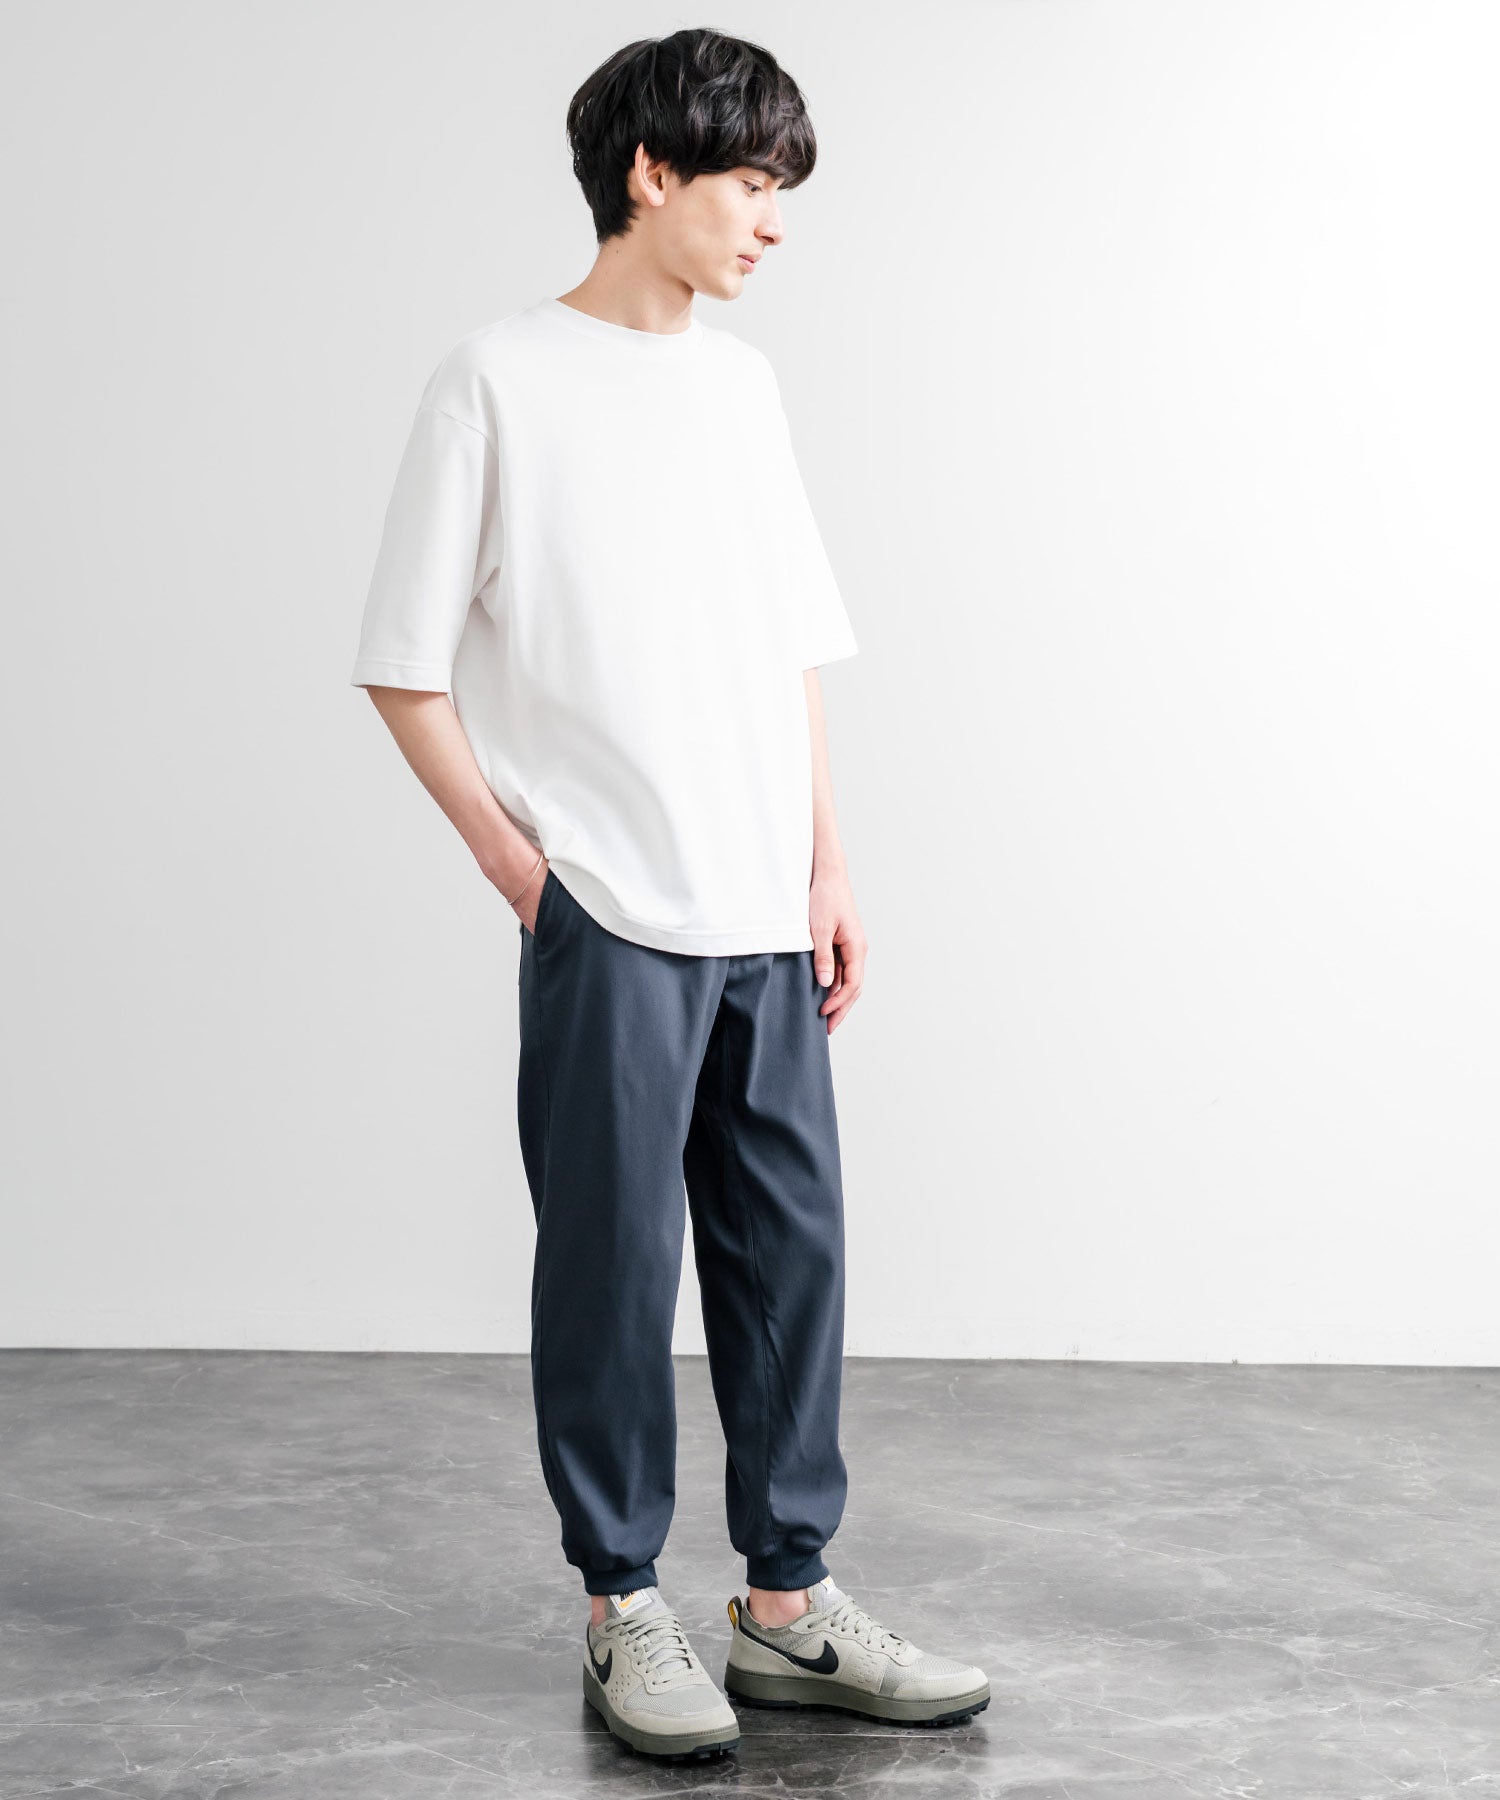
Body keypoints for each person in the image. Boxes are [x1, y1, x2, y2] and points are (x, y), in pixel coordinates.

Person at [349, 25, 989, 1763]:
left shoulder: (744, 390)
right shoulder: (496, 381)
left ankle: (787, 1605)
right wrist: (522, 868)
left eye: (782, 189)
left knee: (790, 1257)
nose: (774, 221)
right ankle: (621, 1601)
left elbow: (788, 645)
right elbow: (405, 662)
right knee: (612, 1266)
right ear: (651, 175)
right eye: (752, 182)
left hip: (764, 910)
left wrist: (827, 861)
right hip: (613, 911)